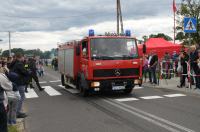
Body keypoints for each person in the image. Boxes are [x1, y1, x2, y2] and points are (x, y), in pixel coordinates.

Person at [10, 53, 29, 118]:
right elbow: (24, 72)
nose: (23, 58)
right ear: (20, 57)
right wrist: (28, 71)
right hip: (20, 82)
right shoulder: (19, 64)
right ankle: (18, 112)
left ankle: (16, 112)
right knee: (21, 97)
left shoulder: (13, 63)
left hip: (15, 82)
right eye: (23, 57)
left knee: (18, 97)